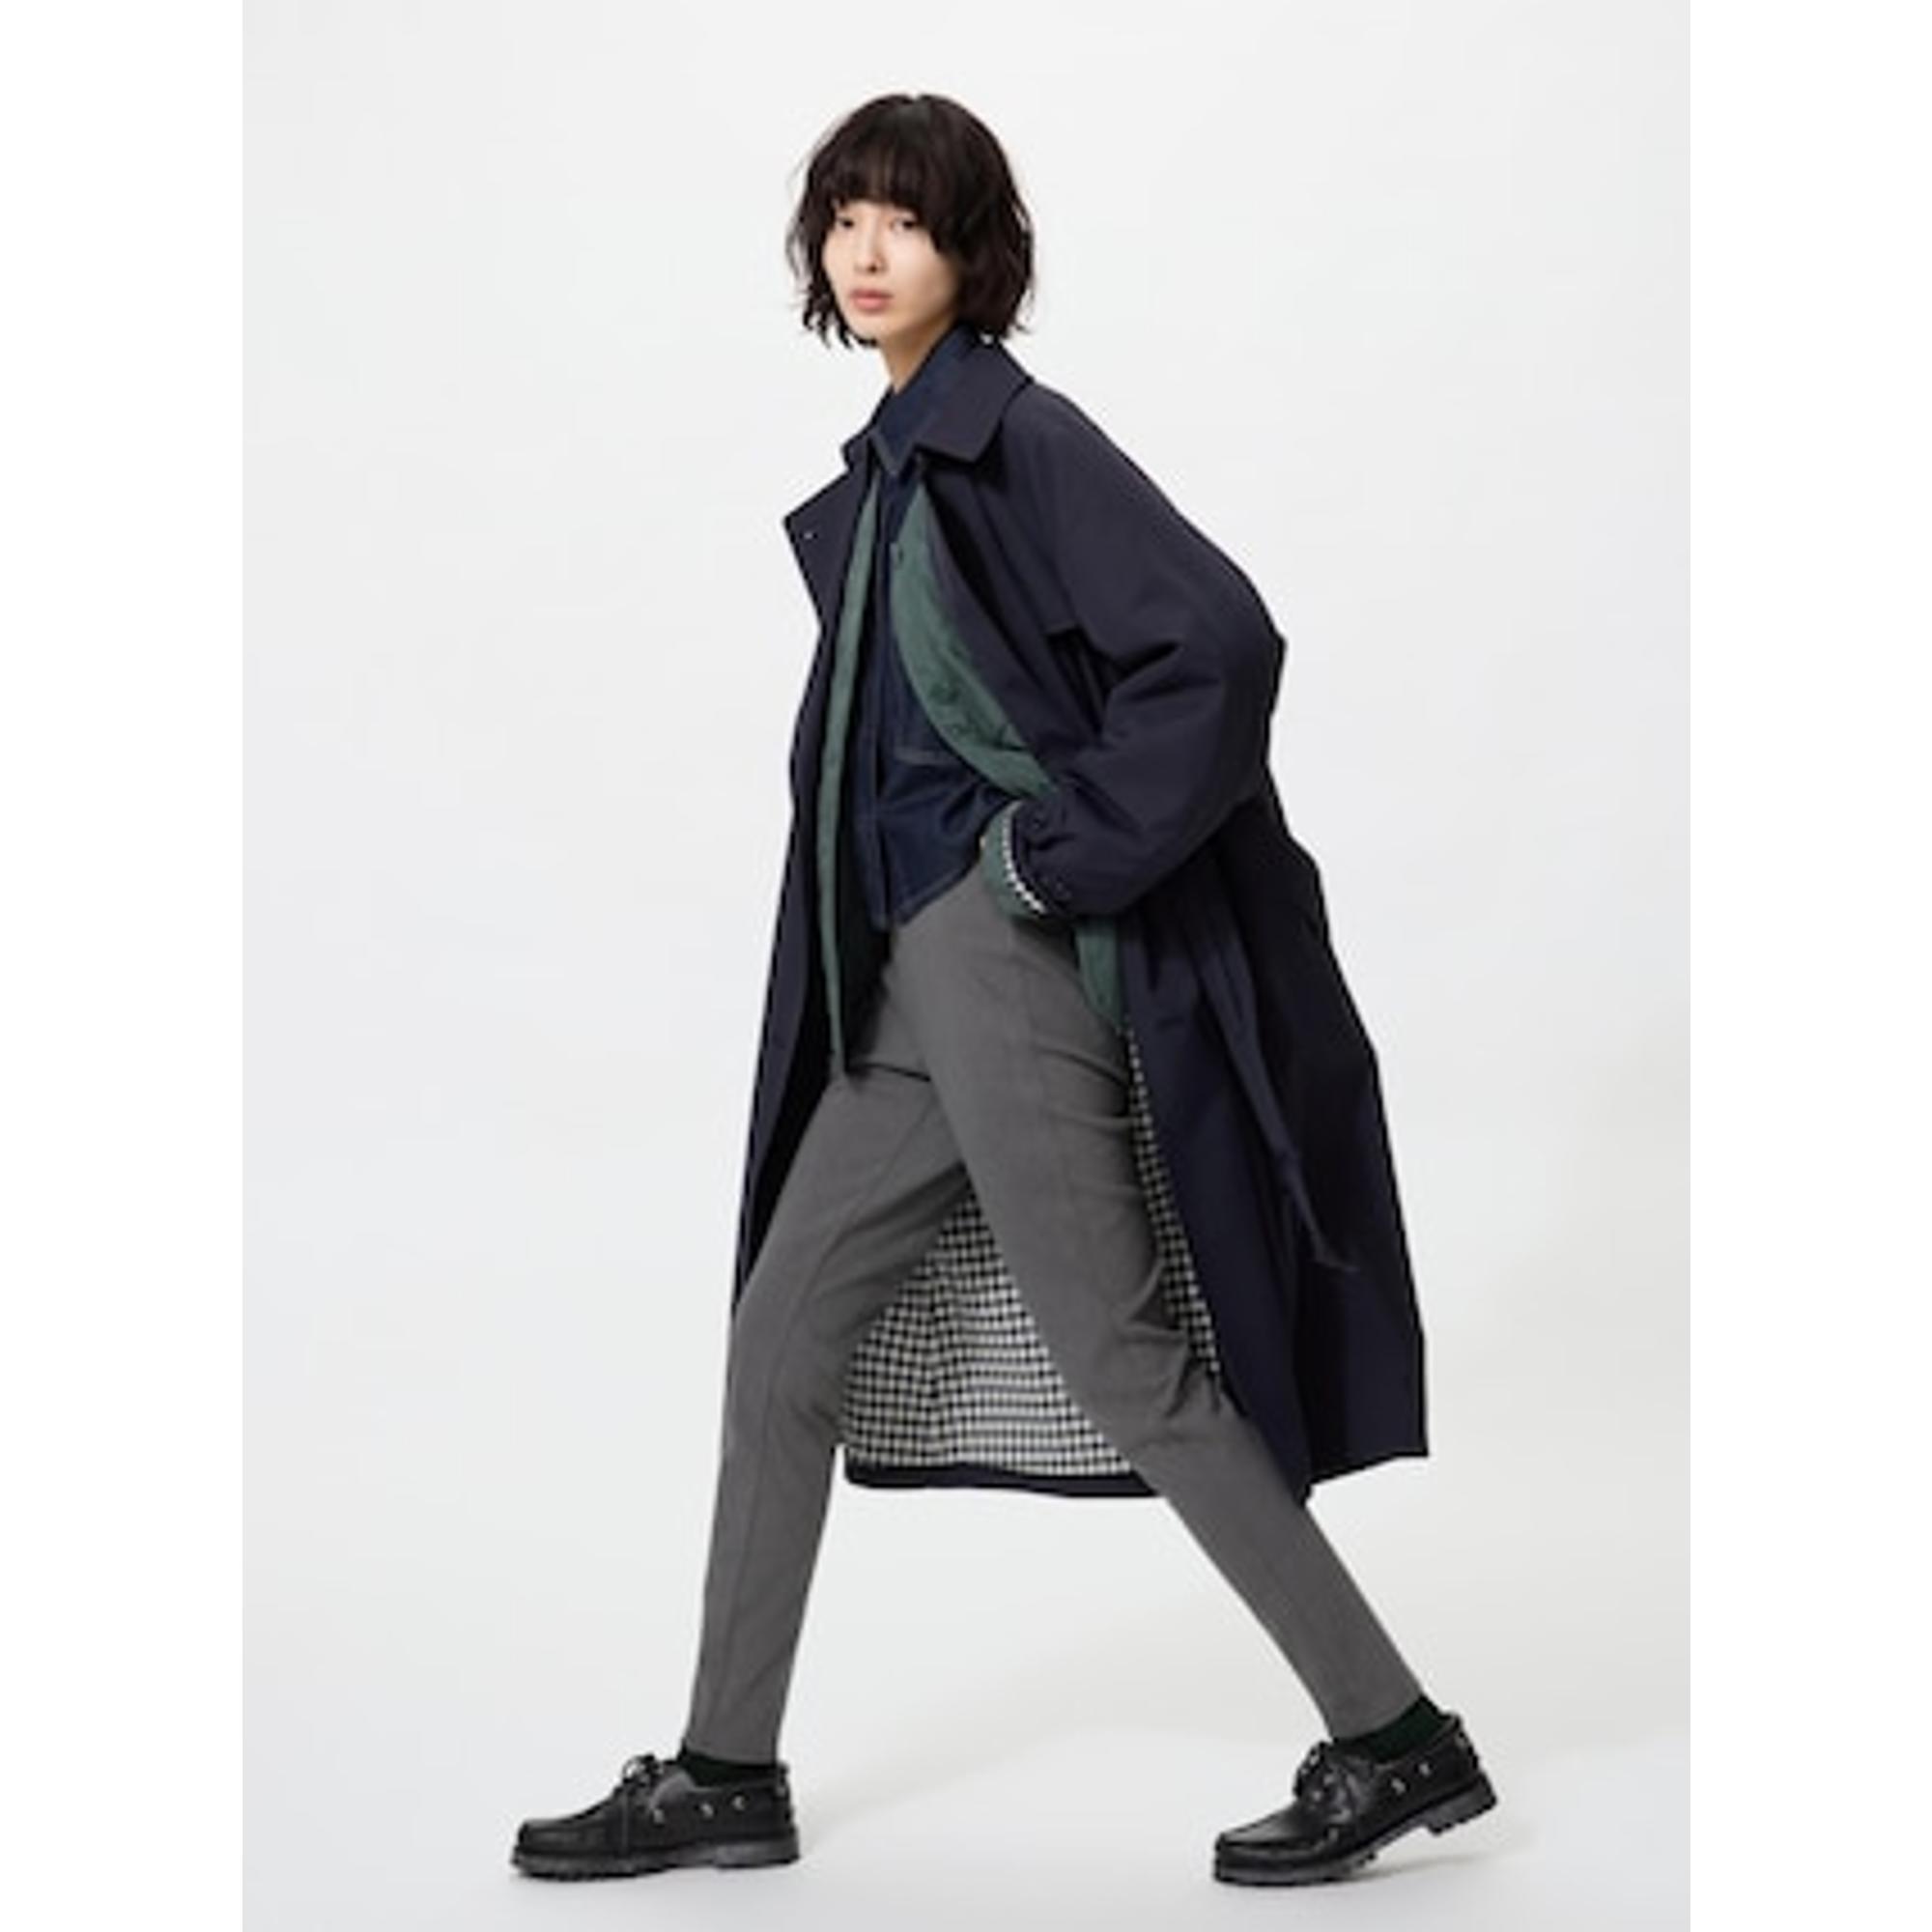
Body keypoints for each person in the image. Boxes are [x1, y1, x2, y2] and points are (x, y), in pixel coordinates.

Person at [511, 91, 1496, 1889]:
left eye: (906, 220)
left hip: (1002, 953)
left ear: (974, 252)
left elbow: (1219, 643)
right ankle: (727, 1766)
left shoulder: (1020, 440)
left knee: (1124, 1356)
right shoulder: (898, 465)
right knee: (782, 1339)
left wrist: (1046, 865)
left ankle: (1392, 1735)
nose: (867, 251)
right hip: (901, 977)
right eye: (845, 218)